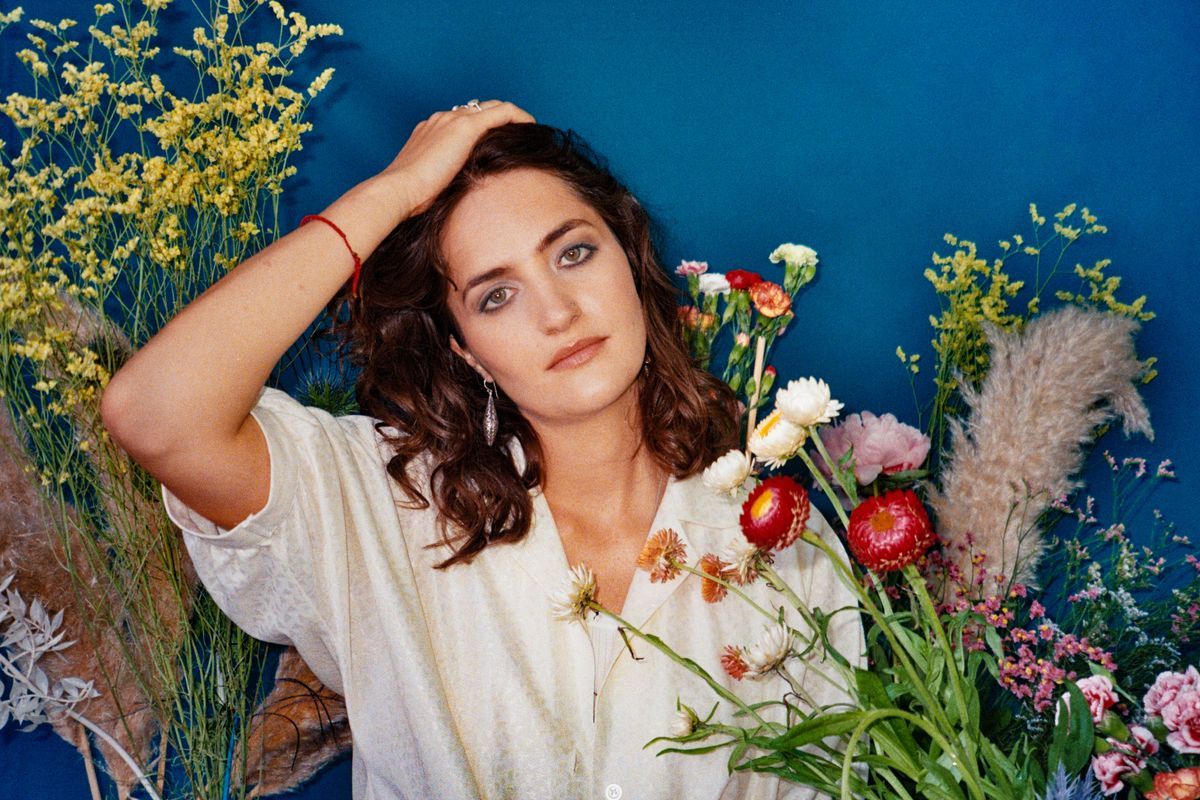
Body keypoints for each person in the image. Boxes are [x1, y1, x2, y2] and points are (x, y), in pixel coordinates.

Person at [100, 99, 862, 800]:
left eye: (573, 253)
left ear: (631, 259)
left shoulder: (779, 544)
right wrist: (394, 191)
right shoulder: (380, 504)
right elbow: (157, 415)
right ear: (464, 348)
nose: (558, 312)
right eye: (496, 295)